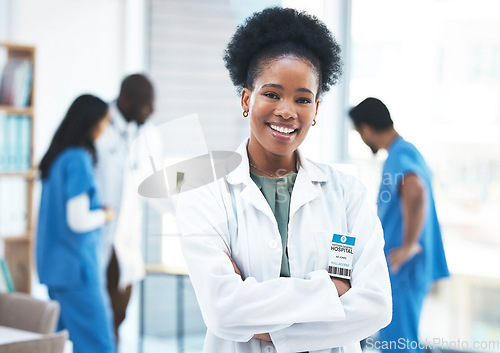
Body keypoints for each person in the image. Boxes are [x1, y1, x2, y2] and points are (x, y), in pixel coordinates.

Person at [176, 7, 392, 353]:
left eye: (303, 99)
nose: (287, 111)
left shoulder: (346, 193)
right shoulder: (204, 193)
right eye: (272, 94)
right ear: (247, 98)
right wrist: (331, 290)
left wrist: (267, 327)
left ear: (317, 110)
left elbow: (376, 305)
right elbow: (223, 310)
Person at [348, 97, 449, 352]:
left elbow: (416, 192)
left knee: (398, 344)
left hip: (403, 266)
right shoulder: (406, 150)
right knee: (402, 340)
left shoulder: (399, 154)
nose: (362, 138)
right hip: (407, 267)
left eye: (359, 132)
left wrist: (408, 246)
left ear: (367, 129)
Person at [36, 94, 116, 353]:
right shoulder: (78, 159)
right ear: (91, 123)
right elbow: (78, 220)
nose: (106, 129)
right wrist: (104, 215)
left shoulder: (57, 159)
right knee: (99, 344)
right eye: (105, 122)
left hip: (55, 270)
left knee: (63, 344)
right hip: (76, 271)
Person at [94, 73, 155, 341]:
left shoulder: (145, 134)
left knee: (117, 320)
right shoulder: (96, 125)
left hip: (125, 246)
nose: (151, 113)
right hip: (98, 238)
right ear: (127, 100)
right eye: (146, 107)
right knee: (95, 326)